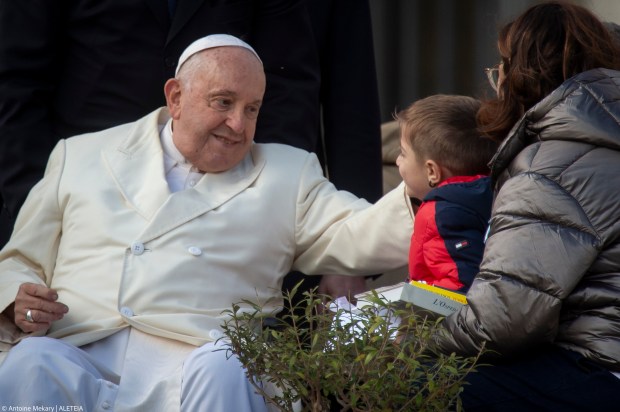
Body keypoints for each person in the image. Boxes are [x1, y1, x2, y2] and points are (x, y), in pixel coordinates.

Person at [0, 35, 413, 410]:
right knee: (31, 362)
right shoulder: (81, 154)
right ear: (176, 97)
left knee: (224, 362)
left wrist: (428, 191)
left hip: (197, 369)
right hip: (82, 356)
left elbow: (360, 231)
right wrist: (18, 299)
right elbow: (22, 259)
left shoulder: (288, 174)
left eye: (252, 109)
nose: (238, 124)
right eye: (223, 102)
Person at [419, 2, 620, 410]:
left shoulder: (548, 167)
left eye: (500, 70)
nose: (497, 82)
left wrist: (414, 343)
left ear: (522, 76)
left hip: (597, 370)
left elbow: (506, 319)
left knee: (396, 381)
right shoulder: (601, 142)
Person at [395, 95, 497, 292]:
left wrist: (410, 308)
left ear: (432, 171)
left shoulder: (442, 213)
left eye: (403, 153)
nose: (398, 161)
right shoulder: (498, 193)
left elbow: (460, 287)